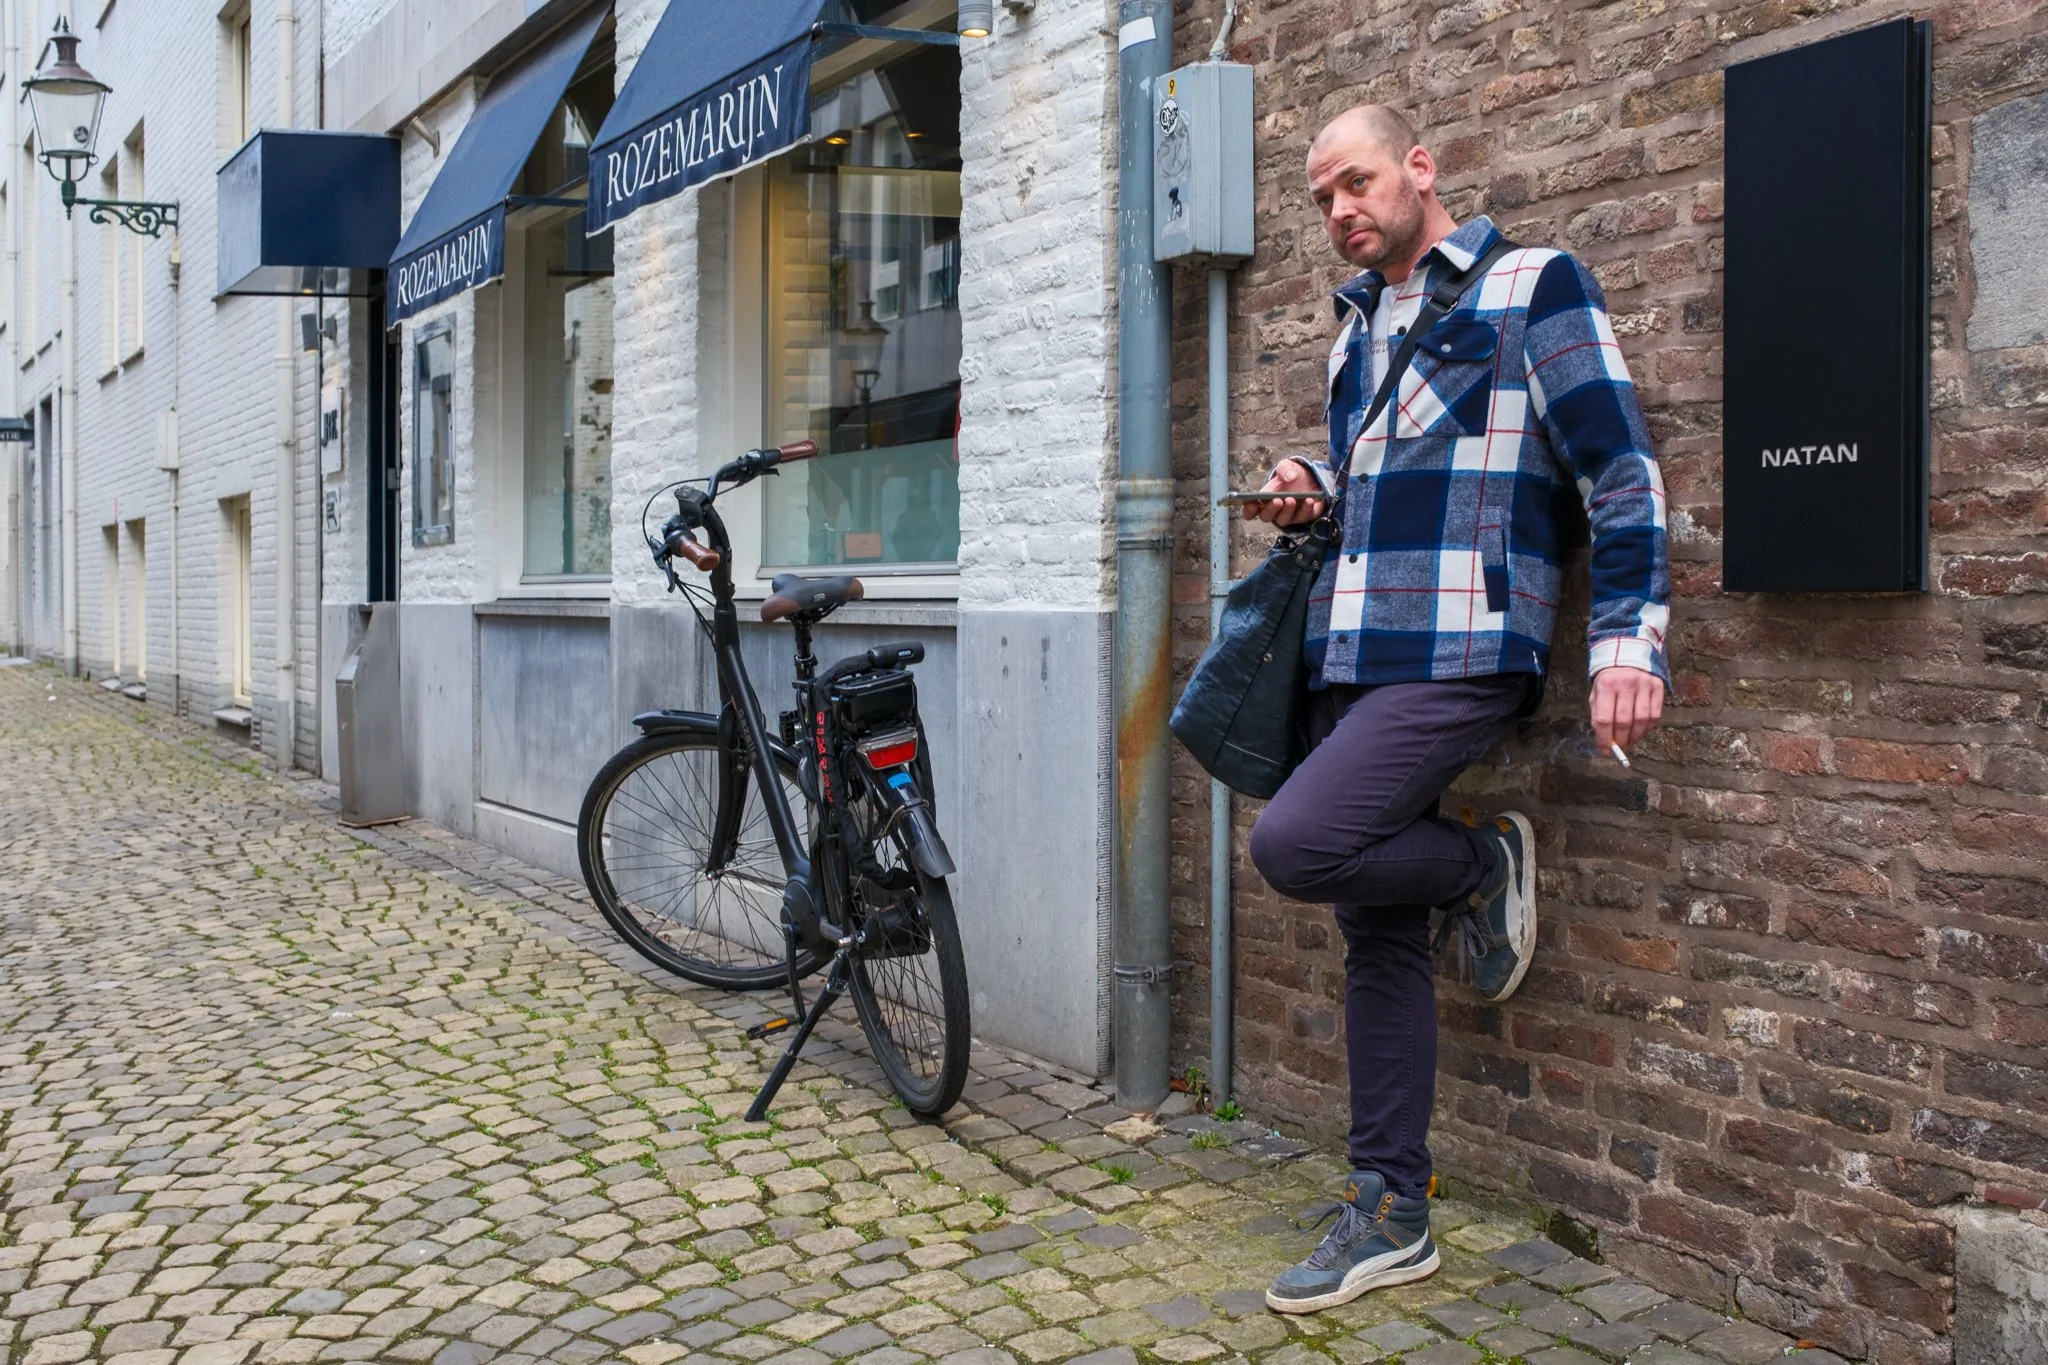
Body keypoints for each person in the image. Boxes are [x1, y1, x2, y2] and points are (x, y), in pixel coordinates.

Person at [1246, 105, 1672, 1314]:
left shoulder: (1531, 285)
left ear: (1419, 169)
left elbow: (1617, 469)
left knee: (1298, 843)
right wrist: (1307, 487)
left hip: (1464, 643)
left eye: (1358, 182)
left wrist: (1625, 641)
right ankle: (1391, 1208)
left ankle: (1476, 862)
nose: (1339, 209)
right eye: (1321, 196)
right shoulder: (1354, 332)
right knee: (1368, 926)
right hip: (1352, 645)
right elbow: (1376, 488)